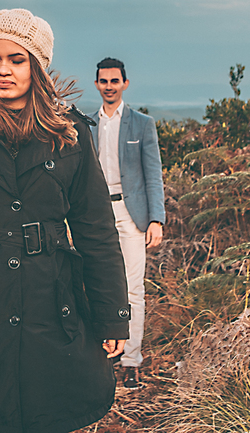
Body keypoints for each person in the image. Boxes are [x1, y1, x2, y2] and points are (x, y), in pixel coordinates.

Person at [0, 9, 131, 433]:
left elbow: (96, 231)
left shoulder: (69, 133)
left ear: (38, 65)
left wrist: (112, 315)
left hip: (48, 298)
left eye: (17, 59)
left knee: (46, 411)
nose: (3, 71)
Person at [92, 57, 165, 390]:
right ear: (97, 85)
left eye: (114, 81)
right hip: (93, 217)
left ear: (125, 84)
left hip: (130, 214)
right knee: (95, 287)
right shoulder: (87, 125)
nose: (109, 86)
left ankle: (131, 361)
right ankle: (101, 357)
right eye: (104, 81)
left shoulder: (142, 124)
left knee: (133, 290)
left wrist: (155, 219)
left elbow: (153, 175)